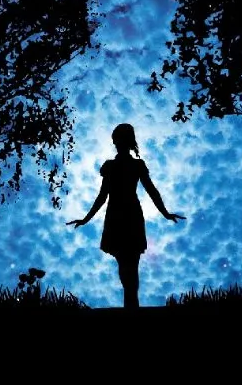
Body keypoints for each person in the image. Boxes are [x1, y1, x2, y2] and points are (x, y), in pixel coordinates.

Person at [66, 123, 186, 309]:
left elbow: (151, 190)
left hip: (129, 215)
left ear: (126, 142)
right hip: (119, 216)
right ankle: (131, 303)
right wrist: (85, 219)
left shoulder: (135, 165)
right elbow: (102, 196)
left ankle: (131, 304)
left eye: (119, 139)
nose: (117, 142)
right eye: (116, 139)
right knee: (126, 265)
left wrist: (165, 213)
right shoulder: (112, 166)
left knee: (130, 264)